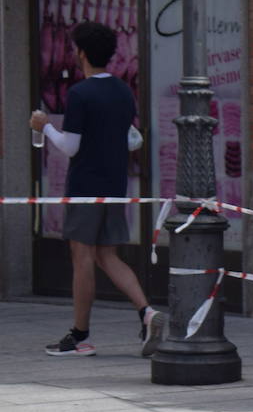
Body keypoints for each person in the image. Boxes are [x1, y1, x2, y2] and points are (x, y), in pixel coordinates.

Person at [30, 20, 164, 358]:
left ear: (81, 53)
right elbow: (129, 138)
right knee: (107, 254)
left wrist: (44, 127)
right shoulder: (123, 91)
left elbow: (70, 147)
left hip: (85, 186)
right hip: (114, 184)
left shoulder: (80, 93)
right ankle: (147, 312)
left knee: (83, 258)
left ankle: (79, 335)